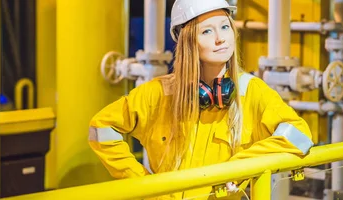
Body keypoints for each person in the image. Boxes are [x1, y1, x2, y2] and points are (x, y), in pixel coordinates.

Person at [88, 0, 314, 199]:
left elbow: (300, 134)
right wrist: (142, 184)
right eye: (206, 31)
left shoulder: (250, 91)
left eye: (225, 27)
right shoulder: (159, 93)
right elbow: (101, 128)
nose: (220, 39)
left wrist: (242, 165)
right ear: (188, 42)